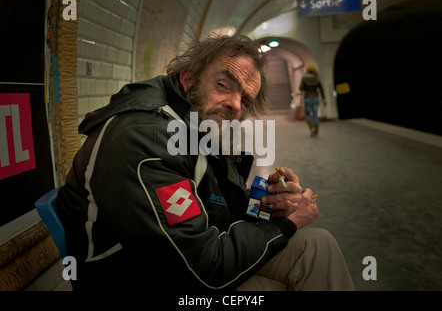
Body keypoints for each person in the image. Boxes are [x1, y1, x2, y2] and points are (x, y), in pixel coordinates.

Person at [56, 34, 354, 292]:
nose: (236, 105)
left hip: (183, 263)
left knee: (317, 247)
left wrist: (272, 205)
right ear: (189, 77)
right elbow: (202, 270)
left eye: (245, 100)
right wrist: (286, 226)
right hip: (136, 280)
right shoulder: (145, 140)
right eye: (224, 84)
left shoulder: (193, 125)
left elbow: (226, 207)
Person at [299, 63, 326, 137]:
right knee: (315, 115)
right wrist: (324, 99)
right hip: (315, 98)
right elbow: (321, 90)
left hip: (307, 98)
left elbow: (301, 88)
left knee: (308, 115)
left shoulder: (304, 78)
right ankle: (316, 131)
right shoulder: (317, 78)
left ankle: (312, 128)